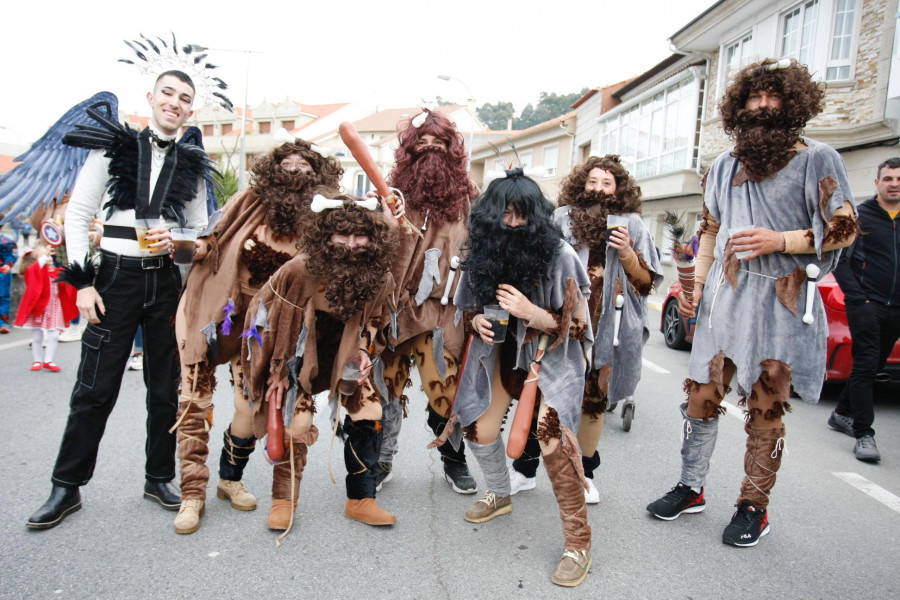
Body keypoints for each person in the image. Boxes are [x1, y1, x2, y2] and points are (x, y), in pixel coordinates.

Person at [645, 59, 858, 547]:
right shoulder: (724, 164)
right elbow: (710, 230)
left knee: (765, 406)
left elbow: (843, 228)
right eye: (753, 98)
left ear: (792, 104)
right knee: (701, 397)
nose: (762, 106)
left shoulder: (818, 159)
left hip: (781, 301)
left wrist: (780, 239)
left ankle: (753, 507)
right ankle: (691, 486)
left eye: (772, 97)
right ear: (739, 106)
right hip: (726, 294)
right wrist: (696, 287)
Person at [26, 70, 212, 530]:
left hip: (166, 282)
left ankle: (159, 477)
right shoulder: (113, 147)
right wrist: (83, 282)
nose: (174, 102)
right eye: (167, 93)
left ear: (191, 111)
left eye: (184, 98)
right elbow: (80, 214)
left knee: (166, 389)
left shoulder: (191, 162)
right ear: (151, 98)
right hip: (114, 278)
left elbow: (200, 232)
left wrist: (181, 243)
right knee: (94, 387)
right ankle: (65, 487)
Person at [172, 138, 343, 534]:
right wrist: (196, 247)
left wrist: (389, 210)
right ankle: (191, 495)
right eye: (287, 161)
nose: (295, 168)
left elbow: (365, 234)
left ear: (319, 175)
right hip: (223, 315)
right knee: (195, 399)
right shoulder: (249, 202)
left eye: (305, 163)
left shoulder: (326, 215)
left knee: (249, 409)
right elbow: (213, 239)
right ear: (272, 170)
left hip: (278, 328)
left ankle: (229, 479)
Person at [453, 168, 594, 587]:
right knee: (478, 428)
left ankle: (578, 542)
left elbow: (582, 325)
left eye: (522, 216)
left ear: (537, 217)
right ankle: (499, 493)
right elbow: (467, 307)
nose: (513, 224)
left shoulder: (560, 254)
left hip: (552, 356)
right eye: (505, 215)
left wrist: (532, 314)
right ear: (490, 216)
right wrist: (478, 318)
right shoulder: (481, 249)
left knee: (552, 442)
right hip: (501, 353)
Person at [240, 192, 398, 533]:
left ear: (373, 238)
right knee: (295, 424)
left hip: (345, 354)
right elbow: (270, 320)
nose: (352, 244)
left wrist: (366, 351)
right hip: (298, 357)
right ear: (326, 235)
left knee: (369, 412)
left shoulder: (380, 277)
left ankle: (361, 499)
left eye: (361, 236)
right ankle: (284, 500)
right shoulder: (299, 270)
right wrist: (278, 371)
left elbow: (377, 318)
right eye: (343, 235)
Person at [509, 155, 662, 504]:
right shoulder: (560, 217)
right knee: (542, 392)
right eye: (593, 181)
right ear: (582, 184)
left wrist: (626, 253)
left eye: (607, 183)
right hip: (560, 322)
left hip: (608, 327)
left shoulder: (633, 225)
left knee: (594, 400)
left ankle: (585, 475)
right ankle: (524, 470)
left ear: (619, 189)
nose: (598, 188)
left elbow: (646, 281)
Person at [376, 109, 479, 494]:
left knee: (445, 393)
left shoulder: (469, 199)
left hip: (443, 313)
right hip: (396, 310)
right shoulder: (391, 195)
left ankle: (453, 460)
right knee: (387, 389)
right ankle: (381, 458)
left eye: (440, 143)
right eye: (423, 143)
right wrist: (384, 215)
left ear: (452, 150)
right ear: (409, 150)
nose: (431, 150)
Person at [827, 157, 900, 462]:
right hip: (866, 305)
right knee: (867, 364)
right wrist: (859, 299)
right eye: (888, 179)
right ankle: (864, 434)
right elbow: (841, 262)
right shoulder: (861, 217)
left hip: (896, 307)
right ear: (877, 183)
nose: (894, 184)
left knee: (873, 366)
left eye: (898, 179)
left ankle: (841, 412)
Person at [14, 242, 77, 370]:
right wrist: (45, 252)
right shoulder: (32, 271)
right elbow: (38, 267)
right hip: (39, 306)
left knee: (54, 334)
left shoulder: (56, 271)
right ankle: (37, 360)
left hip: (54, 306)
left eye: (49, 256)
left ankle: (49, 360)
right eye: (44, 256)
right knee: (37, 336)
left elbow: (69, 277)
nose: (48, 258)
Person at [0, 224, 17, 333]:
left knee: (3, 297)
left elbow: (12, 256)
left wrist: (8, 265)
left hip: (2, 273)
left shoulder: (6, 241)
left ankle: (3, 323)